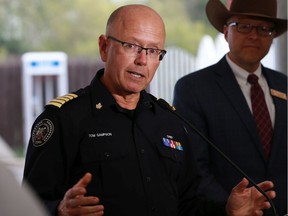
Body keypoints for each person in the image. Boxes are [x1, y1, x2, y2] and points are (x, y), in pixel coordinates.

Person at [23, 4, 276, 216]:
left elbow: (188, 205)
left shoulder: (171, 122)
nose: (142, 60)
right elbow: (23, 207)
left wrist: (226, 210)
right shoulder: (64, 119)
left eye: (153, 50)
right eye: (131, 46)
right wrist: (59, 209)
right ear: (103, 47)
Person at [173, 0, 287, 215]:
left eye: (264, 29)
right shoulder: (193, 89)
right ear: (226, 32)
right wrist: (232, 207)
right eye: (244, 26)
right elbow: (196, 168)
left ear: (272, 37)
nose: (254, 35)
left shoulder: (284, 85)